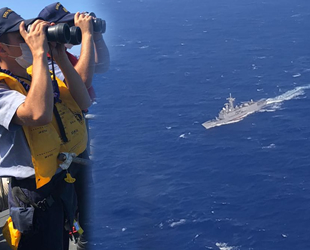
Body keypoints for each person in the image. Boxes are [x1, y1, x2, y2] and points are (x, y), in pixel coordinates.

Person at [0, 7, 91, 250]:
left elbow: (83, 101)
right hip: (33, 193)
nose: (30, 39)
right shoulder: (2, 86)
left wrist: (59, 55)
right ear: (1, 48)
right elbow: (36, 114)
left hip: (60, 181)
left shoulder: (37, 76)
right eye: (21, 37)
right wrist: (39, 53)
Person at [38, 1, 110, 104]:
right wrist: (86, 34)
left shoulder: (68, 57)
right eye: (68, 26)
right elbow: (81, 82)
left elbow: (101, 66)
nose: (75, 28)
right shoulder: (44, 62)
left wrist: (97, 36)